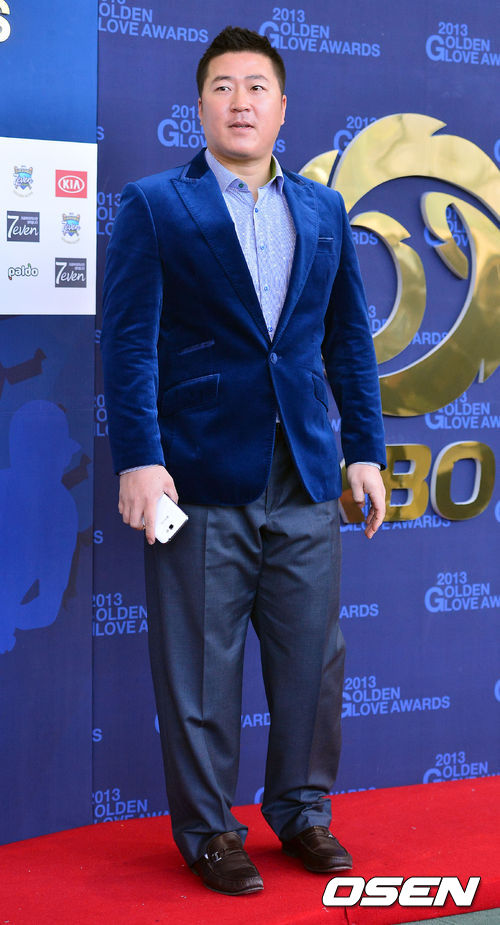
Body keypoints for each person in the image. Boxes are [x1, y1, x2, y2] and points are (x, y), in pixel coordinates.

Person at [101, 25, 386, 896]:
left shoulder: (324, 209)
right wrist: (139, 459)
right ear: (199, 106)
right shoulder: (155, 204)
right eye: (223, 87)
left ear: (282, 108)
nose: (240, 102)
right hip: (196, 475)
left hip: (304, 473)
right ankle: (208, 831)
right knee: (198, 668)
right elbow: (130, 343)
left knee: (313, 660)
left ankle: (301, 811)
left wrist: (364, 450)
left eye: (256, 87)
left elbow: (347, 340)